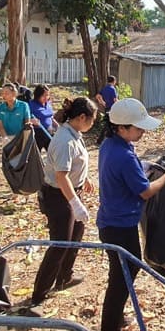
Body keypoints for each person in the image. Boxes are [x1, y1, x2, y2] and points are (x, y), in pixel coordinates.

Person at [97, 98, 165, 331]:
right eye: (138, 128)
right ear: (122, 127)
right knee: (122, 279)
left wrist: (145, 166)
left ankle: (117, 317)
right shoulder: (122, 154)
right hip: (119, 226)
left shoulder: (112, 144)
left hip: (113, 221)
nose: (142, 132)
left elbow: (130, 169)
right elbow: (145, 192)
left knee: (123, 275)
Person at [27, 97, 99, 317]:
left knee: (76, 234)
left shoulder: (74, 134)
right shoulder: (64, 140)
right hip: (58, 196)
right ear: (81, 117)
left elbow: (77, 164)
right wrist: (75, 203)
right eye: (92, 120)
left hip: (70, 191)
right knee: (59, 243)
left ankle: (64, 276)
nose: (93, 124)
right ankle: (38, 296)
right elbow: (61, 176)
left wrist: (84, 179)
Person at [29, 84, 58, 150]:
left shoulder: (48, 104)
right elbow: (24, 118)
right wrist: (31, 120)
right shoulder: (31, 104)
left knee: (54, 153)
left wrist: (56, 124)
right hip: (38, 133)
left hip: (49, 131)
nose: (46, 97)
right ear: (38, 95)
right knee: (36, 156)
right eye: (43, 95)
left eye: (47, 95)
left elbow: (50, 116)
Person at [95, 75, 119, 144]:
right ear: (114, 81)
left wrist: (102, 102)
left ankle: (108, 139)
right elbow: (115, 100)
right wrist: (120, 105)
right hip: (112, 108)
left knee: (109, 124)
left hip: (107, 108)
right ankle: (100, 140)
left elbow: (97, 96)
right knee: (110, 124)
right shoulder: (112, 89)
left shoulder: (104, 88)